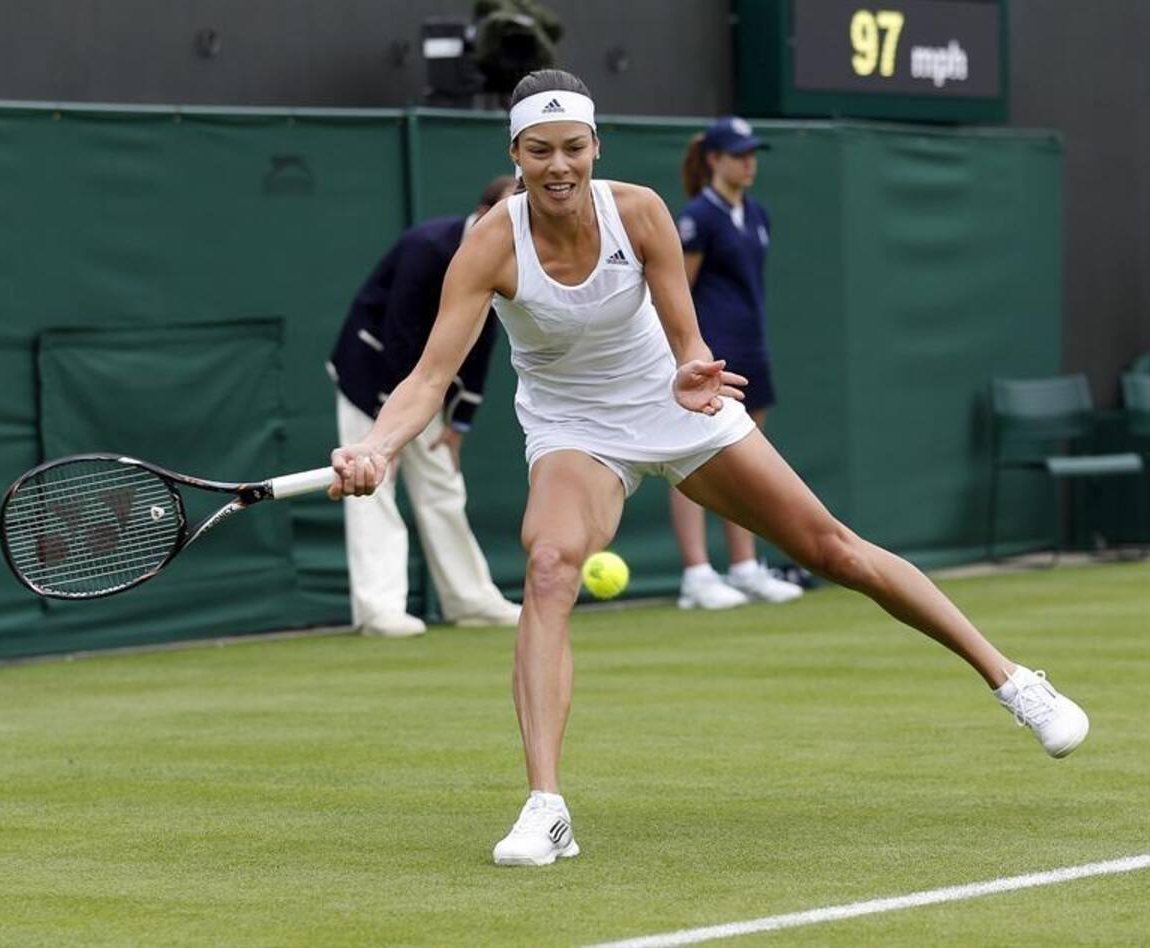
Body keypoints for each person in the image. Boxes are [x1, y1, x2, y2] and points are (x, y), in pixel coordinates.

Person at [328, 69, 1089, 865]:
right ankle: (546, 808)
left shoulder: (642, 212)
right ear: (515, 153)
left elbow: (685, 335)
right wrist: (378, 448)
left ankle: (1013, 681)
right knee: (549, 568)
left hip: (672, 404)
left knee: (833, 550)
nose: (559, 166)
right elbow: (426, 377)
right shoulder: (488, 243)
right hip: (574, 428)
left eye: (574, 148)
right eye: (540, 150)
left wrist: (692, 365)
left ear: (596, 146)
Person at [327, 176, 522, 638]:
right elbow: (398, 332)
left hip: (424, 384)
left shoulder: (510, 256)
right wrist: (386, 433)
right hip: (370, 374)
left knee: (443, 488)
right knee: (371, 486)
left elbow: (483, 339)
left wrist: (460, 424)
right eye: (513, 208)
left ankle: (469, 599)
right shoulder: (428, 245)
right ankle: (379, 610)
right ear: (485, 210)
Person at [670, 117, 804, 610]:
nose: (750, 162)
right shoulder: (696, 219)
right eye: (739, 153)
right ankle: (696, 574)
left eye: (754, 153)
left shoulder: (761, 214)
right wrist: (689, 355)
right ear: (713, 160)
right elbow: (676, 294)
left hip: (752, 350)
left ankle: (745, 566)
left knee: (745, 464)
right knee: (691, 462)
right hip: (707, 359)